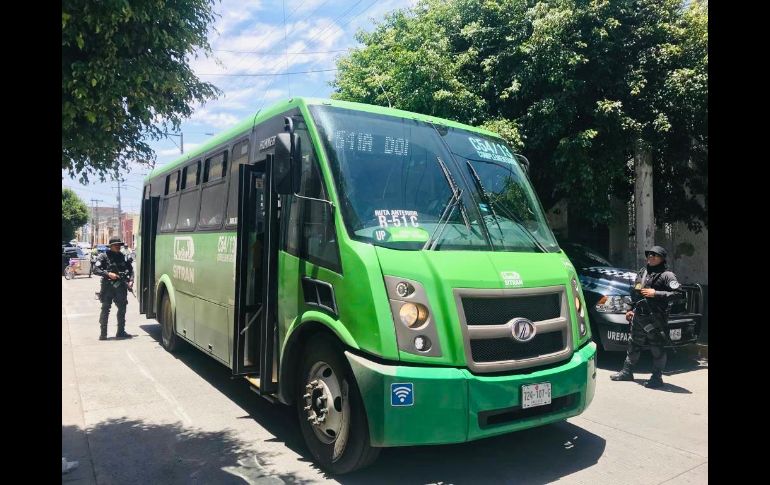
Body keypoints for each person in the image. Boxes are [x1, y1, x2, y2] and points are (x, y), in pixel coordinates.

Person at [610, 245, 685, 388]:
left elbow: (679, 294)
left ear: (662, 259)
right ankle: (627, 372)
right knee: (633, 344)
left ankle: (657, 378)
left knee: (657, 348)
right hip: (639, 316)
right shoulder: (643, 272)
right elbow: (635, 292)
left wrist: (655, 293)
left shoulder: (667, 275)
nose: (650, 257)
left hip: (656, 317)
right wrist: (630, 308)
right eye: (649, 254)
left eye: (654, 255)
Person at [92, 237, 134, 340]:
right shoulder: (103, 256)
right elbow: (95, 269)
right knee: (105, 309)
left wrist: (131, 280)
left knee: (122, 309)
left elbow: (131, 269)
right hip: (107, 287)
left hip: (120, 286)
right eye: (116, 245)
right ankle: (103, 333)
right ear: (110, 246)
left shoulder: (123, 256)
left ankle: (120, 331)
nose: (118, 247)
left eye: (119, 245)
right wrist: (108, 274)